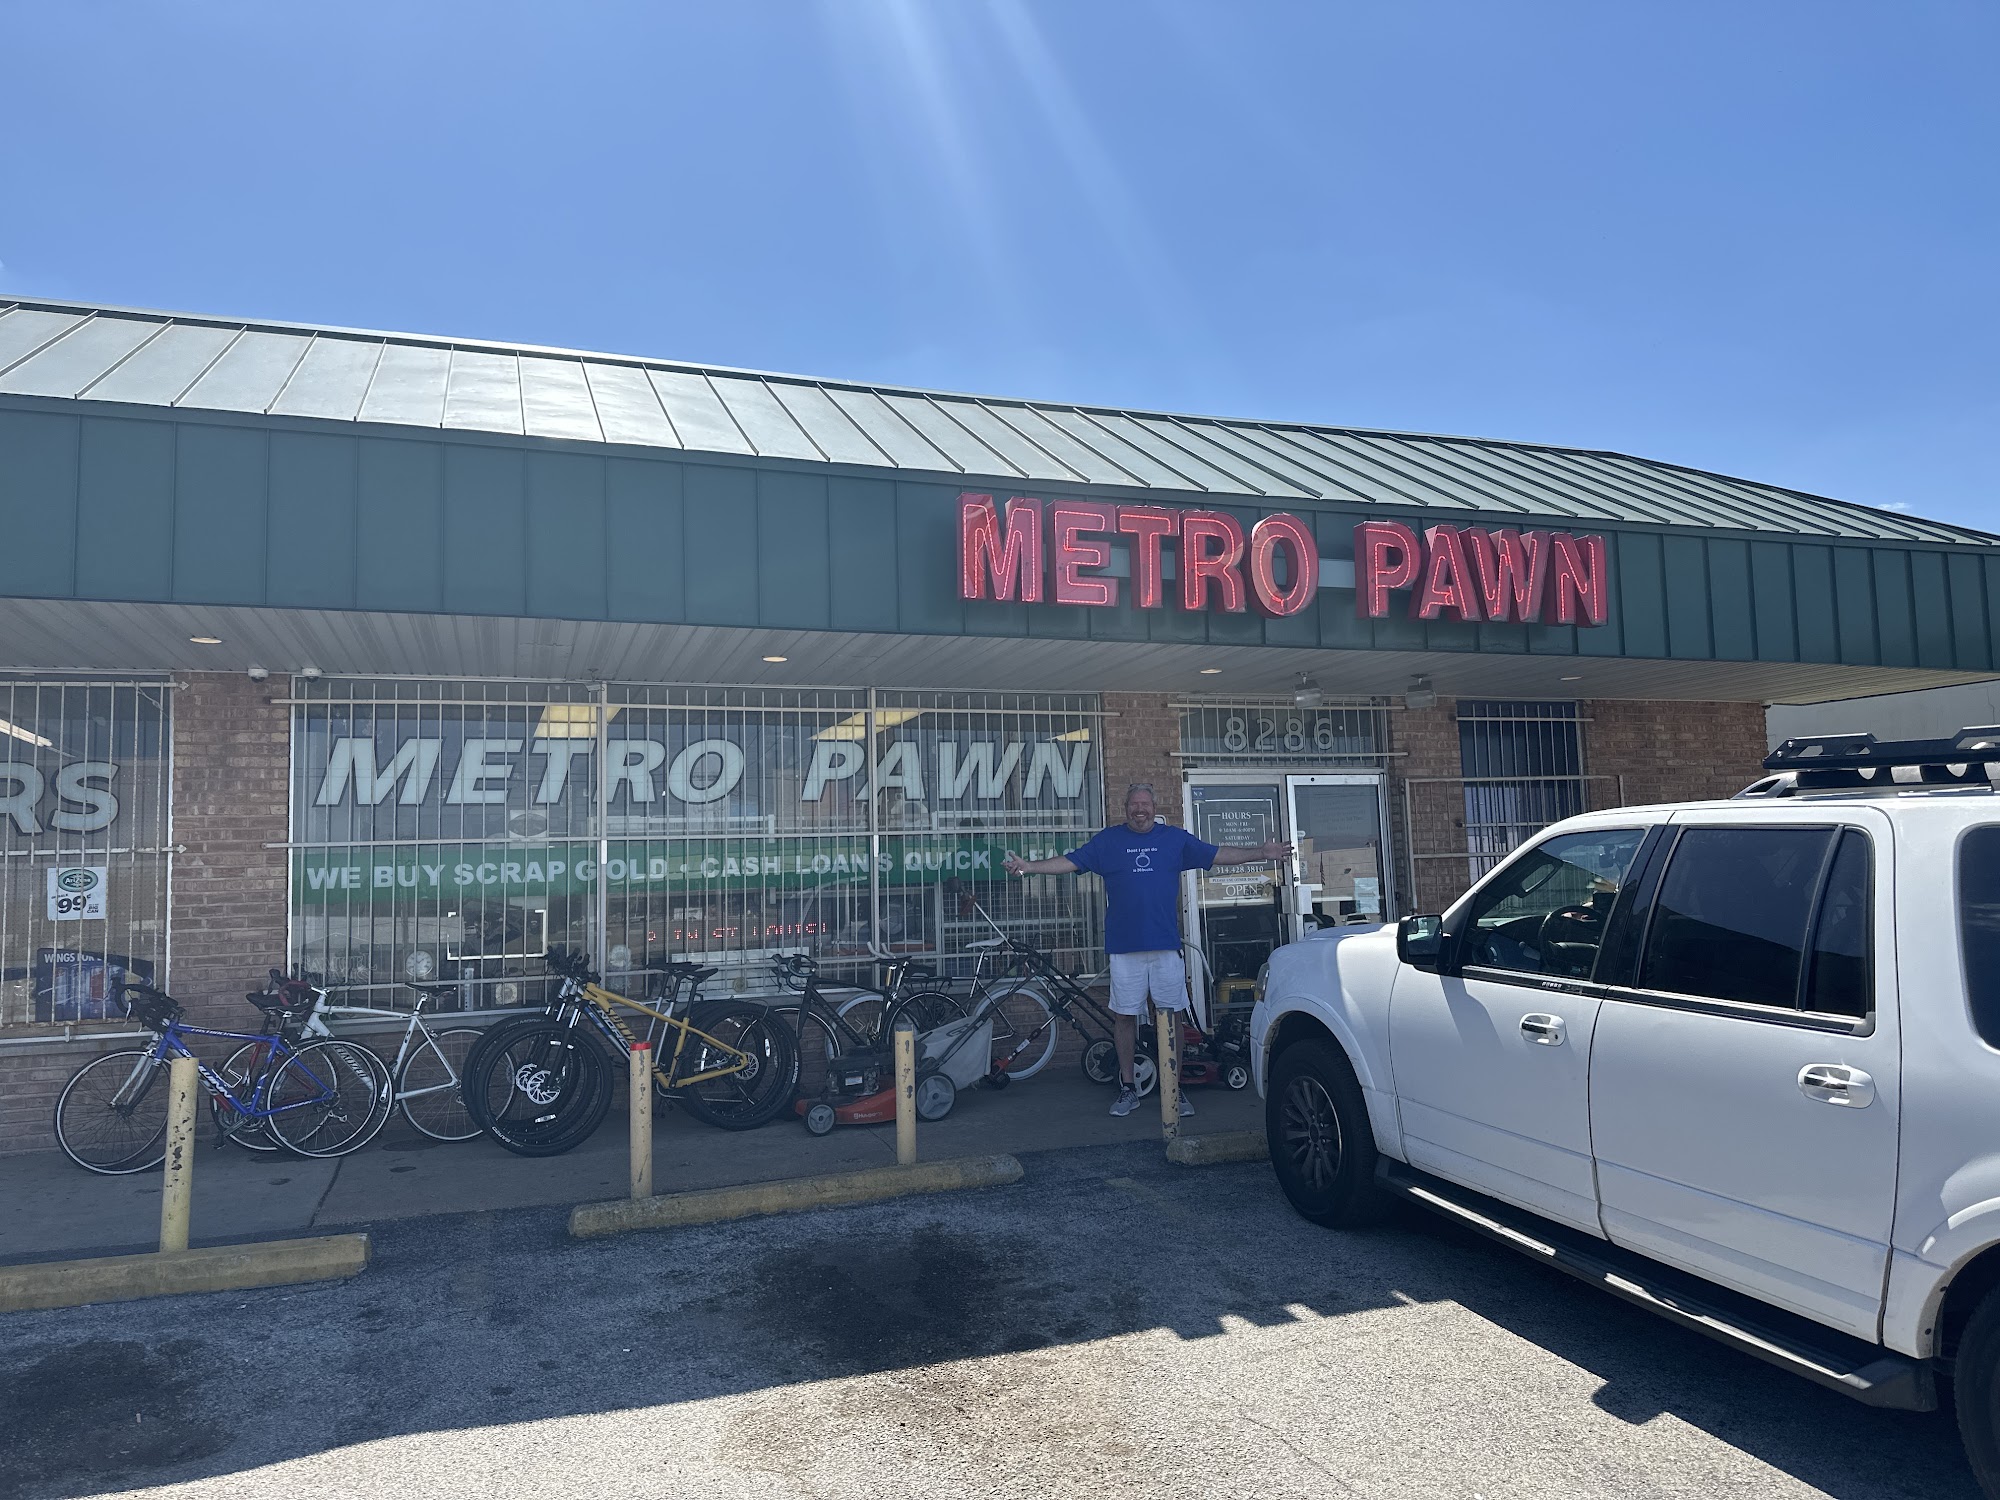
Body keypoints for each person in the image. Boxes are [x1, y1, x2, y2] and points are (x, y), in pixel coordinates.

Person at [1003, 783, 1292, 1117]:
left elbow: (1217, 854)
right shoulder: (1108, 841)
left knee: (1171, 1017)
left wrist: (1261, 852)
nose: (1139, 810)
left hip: (1165, 948)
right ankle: (1128, 1088)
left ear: (1154, 808)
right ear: (1125, 808)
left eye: (1145, 804)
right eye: (1133, 805)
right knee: (1125, 1017)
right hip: (1124, 949)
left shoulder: (1175, 839)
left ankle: (1174, 1088)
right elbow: (1069, 862)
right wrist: (1030, 866)